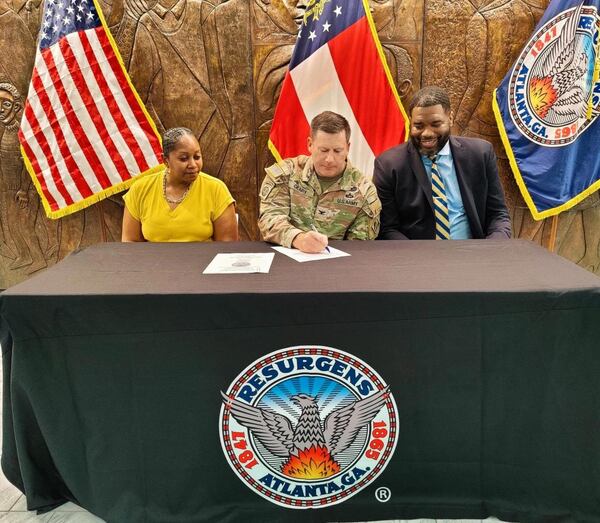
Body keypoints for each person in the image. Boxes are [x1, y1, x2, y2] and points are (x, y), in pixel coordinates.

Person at [373, 86, 511, 240]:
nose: (427, 133)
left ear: (450, 118)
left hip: (472, 254)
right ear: (410, 122)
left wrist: (493, 247)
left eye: (436, 124)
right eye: (419, 126)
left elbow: (498, 214)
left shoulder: (480, 154)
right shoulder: (388, 165)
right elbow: (387, 229)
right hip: (417, 257)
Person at [258, 111, 381, 253]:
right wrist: (298, 239)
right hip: (286, 260)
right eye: (323, 150)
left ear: (347, 148)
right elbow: (269, 220)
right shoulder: (286, 175)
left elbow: (359, 248)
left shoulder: (364, 192)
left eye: (337, 151)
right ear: (310, 144)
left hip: (334, 266)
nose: (329, 159)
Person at [122, 127, 238, 242]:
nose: (193, 164)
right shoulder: (140, 189)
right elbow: (130, 243)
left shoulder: (216, 190)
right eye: (184, 159)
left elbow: (227, 247)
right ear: (165, 160)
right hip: (153, 260)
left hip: (203, 260)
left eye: (197, 157)